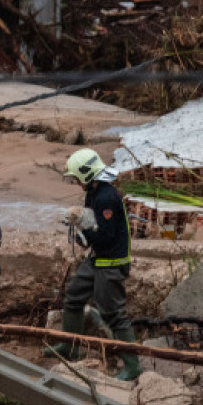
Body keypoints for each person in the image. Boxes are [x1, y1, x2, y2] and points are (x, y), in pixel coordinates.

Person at [42, 148, 142, 381]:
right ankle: (70, 346)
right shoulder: (95, 193)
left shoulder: (107, 197)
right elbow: (94, 224)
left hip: (111, 262)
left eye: (76, 177)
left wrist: (83, 229)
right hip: (98, 257)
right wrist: (83, 230)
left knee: (113, 313)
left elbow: (105, 235)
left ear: (87, 174)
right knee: (74, 295)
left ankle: (132, 365)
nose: (75, 182)